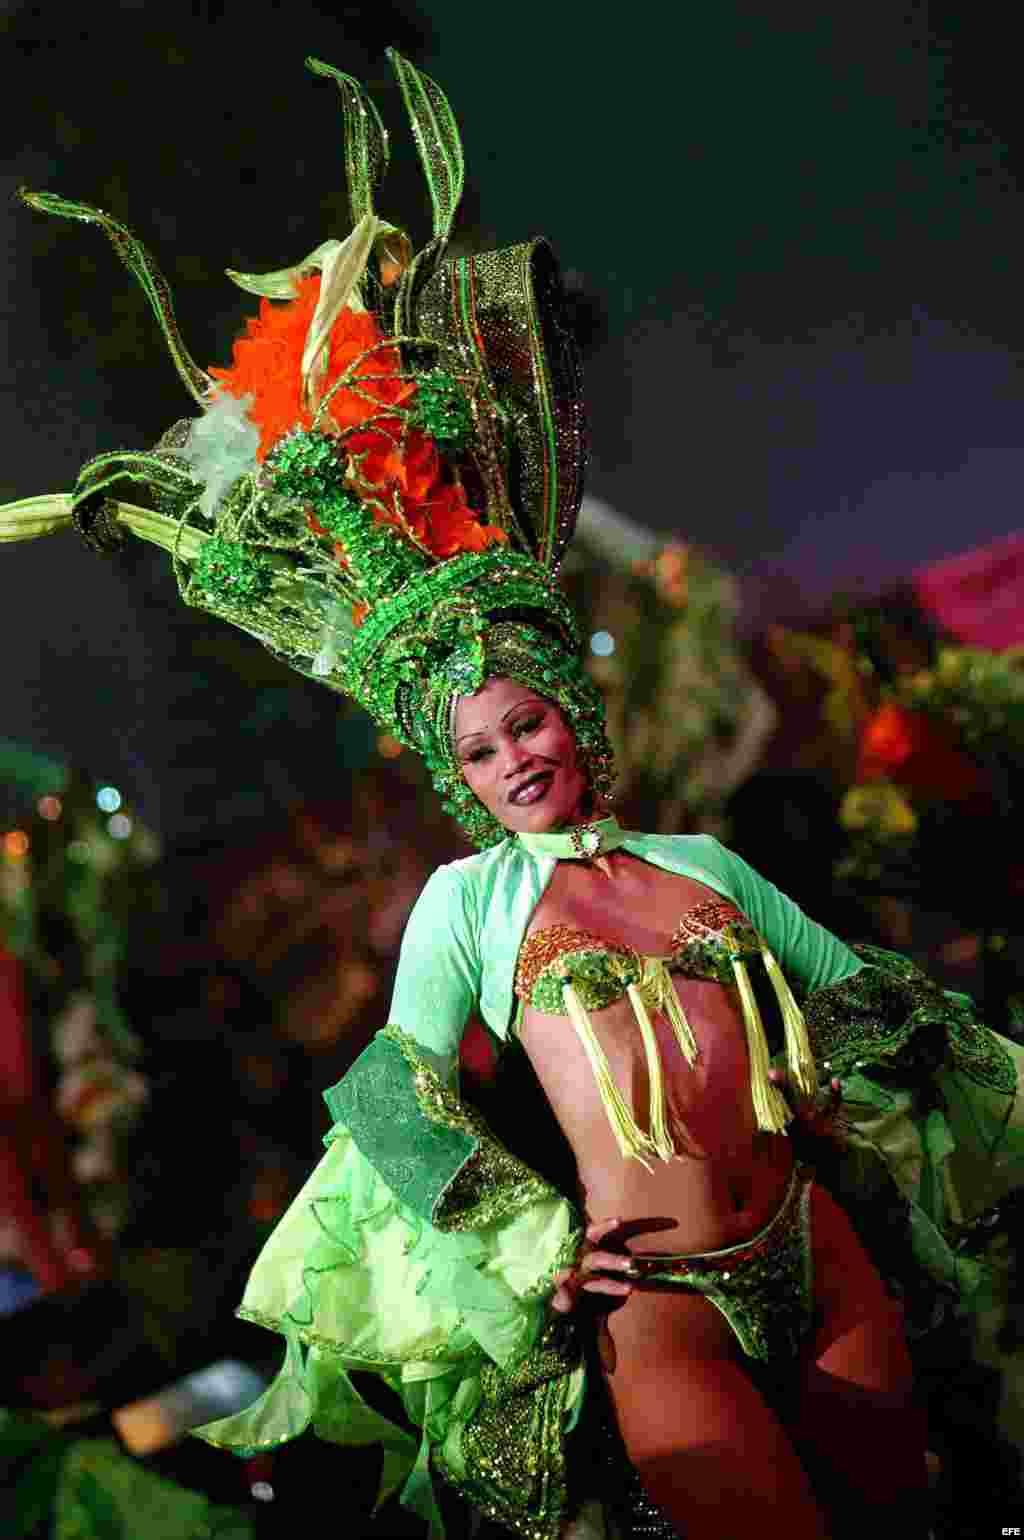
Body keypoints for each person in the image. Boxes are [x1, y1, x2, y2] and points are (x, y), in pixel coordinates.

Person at [4, 48, 1023, 1540]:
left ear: (570, 715)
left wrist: (917, 1076)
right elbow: (395, 1100)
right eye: (480, 752)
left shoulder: (699, 864)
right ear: (455, 771)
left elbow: (869, 997)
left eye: (528, 724)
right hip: (655, 1298)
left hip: (816, 1252)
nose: (516, 760)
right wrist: (544, 1245)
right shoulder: (465, 907)